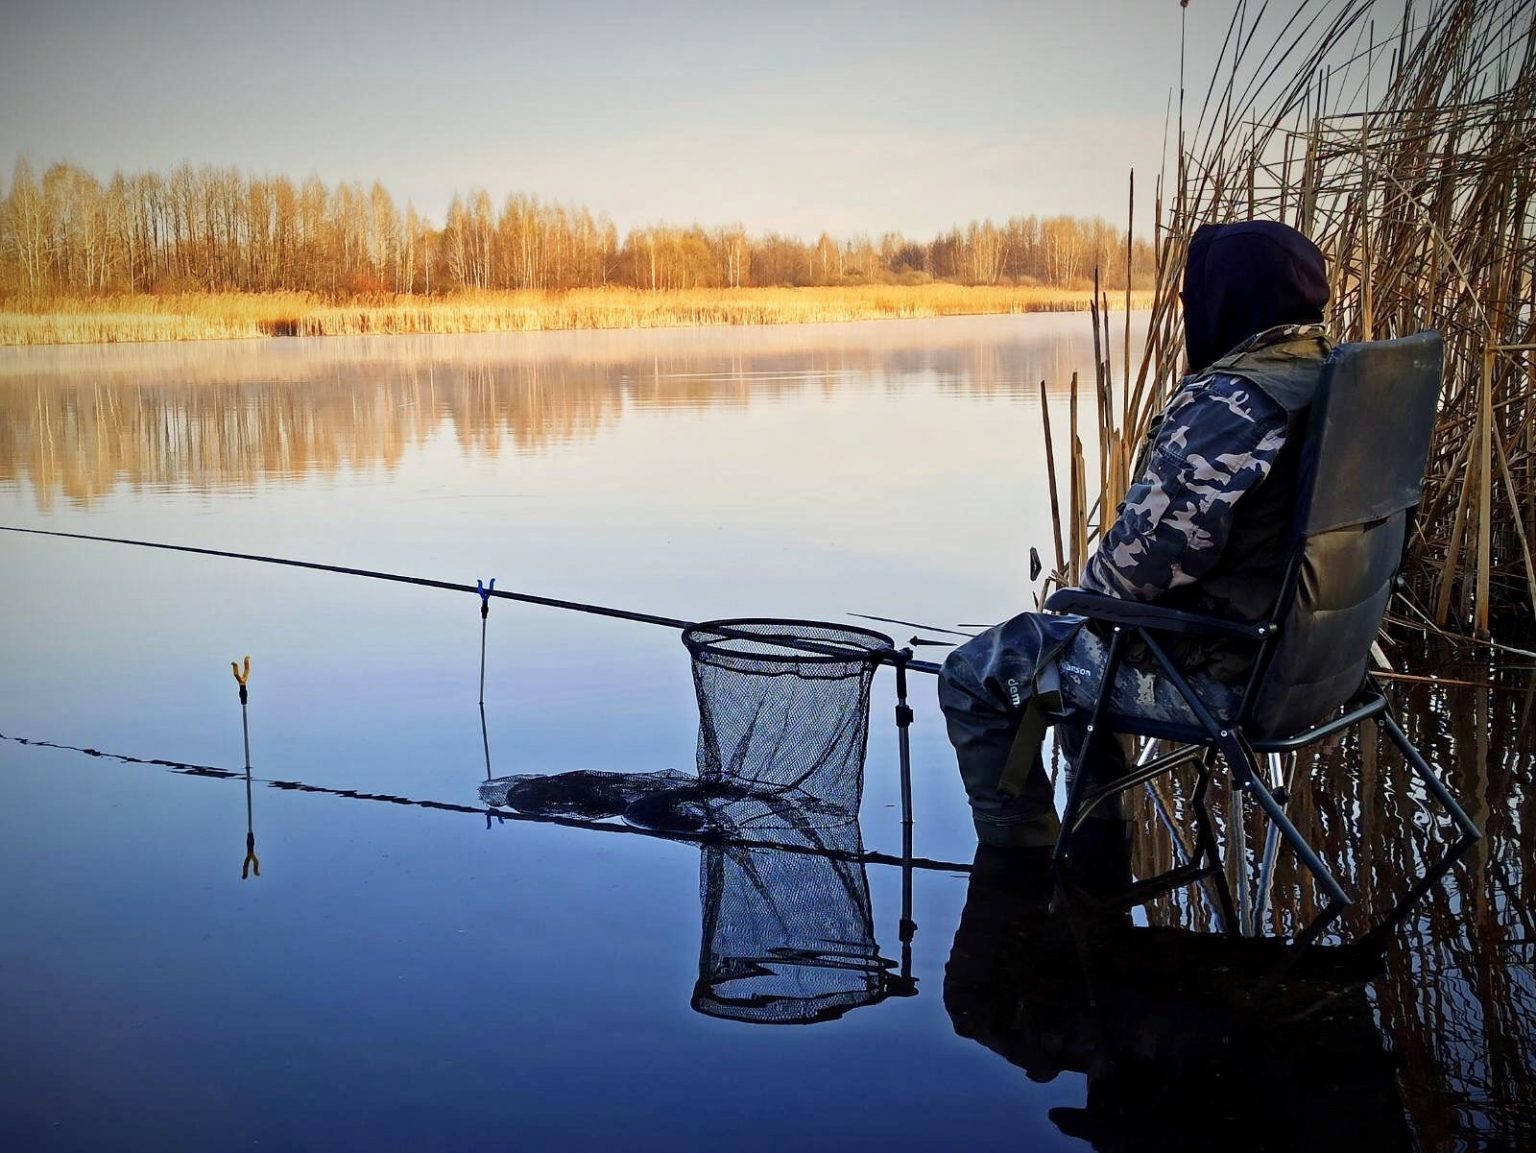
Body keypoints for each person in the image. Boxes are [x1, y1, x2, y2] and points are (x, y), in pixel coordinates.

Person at [939, 220, 1333, 848]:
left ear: (1227, 300)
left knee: (978, 673)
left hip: (1228, 681)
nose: (1187, 310)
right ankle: (1099, 838)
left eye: (1193, 296)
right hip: (1322, 665)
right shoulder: (1339, 376)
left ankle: (1020, 866)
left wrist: (1076, 600)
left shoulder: (1235, 401)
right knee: (1085, 638)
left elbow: (1135, 569)